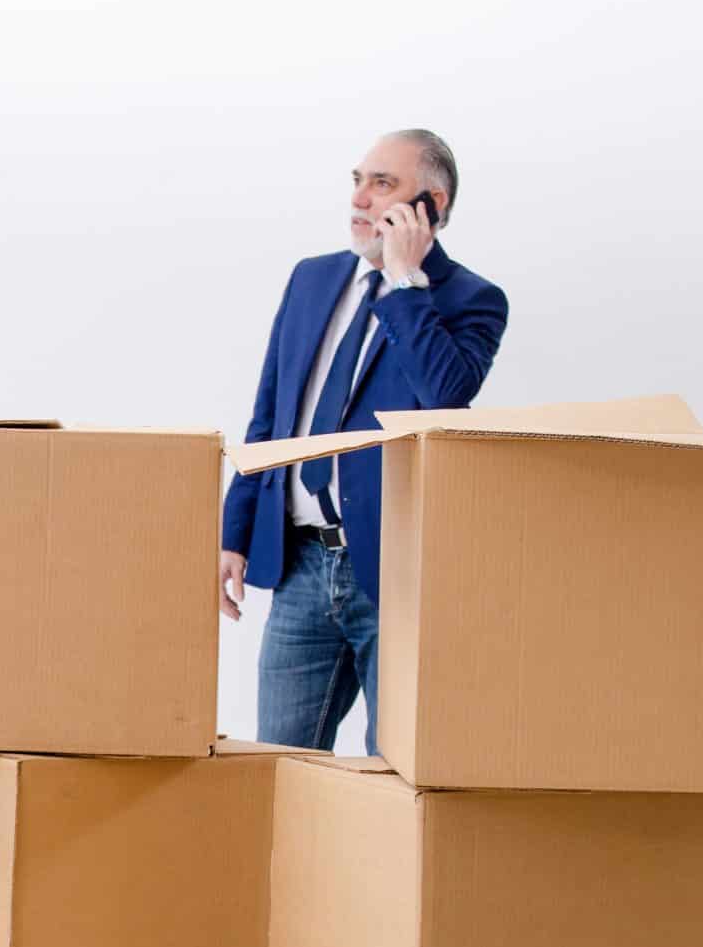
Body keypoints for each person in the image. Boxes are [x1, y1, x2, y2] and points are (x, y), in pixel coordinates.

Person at [217, 129, 508, 750]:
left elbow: (446, 400)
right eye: (357, 180)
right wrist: (233, 532)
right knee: (280, 766)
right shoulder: (312, 280)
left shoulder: (471, 300)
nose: (360, 199)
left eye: (383, 184)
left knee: (393, 772)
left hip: (395, 575)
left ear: (431, 203)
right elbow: (270, 415)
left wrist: (406, 284)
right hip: (299, 566)